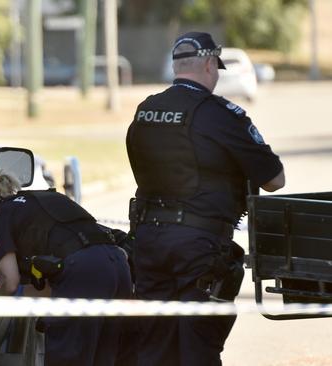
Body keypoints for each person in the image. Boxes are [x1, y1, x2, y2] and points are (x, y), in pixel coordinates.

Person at [126, 31, 285, 366]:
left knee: (153, 342)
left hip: (148, 241)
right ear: (211, 65)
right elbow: (274, 179)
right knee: (198, 343)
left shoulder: (146, 110)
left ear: (176, 67)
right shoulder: (222, 114)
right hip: (199, 249)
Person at [0, 173, 133, 366]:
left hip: (82, 272)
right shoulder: (39, 201)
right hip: (117, 264)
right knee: (106, 356)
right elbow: (55, 283)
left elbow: (9, 282)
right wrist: (20, 293)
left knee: (68, 357)